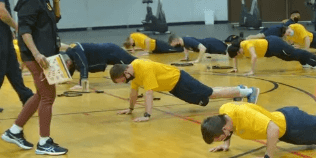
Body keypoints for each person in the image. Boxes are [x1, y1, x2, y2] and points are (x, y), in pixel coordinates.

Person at [0, 0, 67, 155]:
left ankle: (14, 131)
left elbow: (56, 19)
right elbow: (25, 30)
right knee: (48, 96)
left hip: (44, 55)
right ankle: (44, 143)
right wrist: (37, 54)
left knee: (40, 95)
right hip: (38, 57)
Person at [109, 60, 259, 122]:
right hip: (174, 88)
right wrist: (130, 109)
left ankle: (249, 92)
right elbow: (133, 93)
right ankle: (239, 90)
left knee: (210, 93)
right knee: (209, 93)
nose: (123, 82)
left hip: (180, 80)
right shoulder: (133, 74)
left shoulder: (143, 68)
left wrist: (147, 115)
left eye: (121, 80)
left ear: (125, 72)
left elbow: (149, 93)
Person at [227, 36, 316, 75]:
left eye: (237, 54)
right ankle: (305, 62)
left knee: (292, 52)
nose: (238, 56)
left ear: (237, 51)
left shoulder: (246, 45)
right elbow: (234, 57)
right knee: (287, 57)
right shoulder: (237, 49)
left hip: (273, 44)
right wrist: (235, 68)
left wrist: (252, 71)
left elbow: (254, 56)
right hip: (270, 50)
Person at [63, 42, 137, 91]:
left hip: (112, 51)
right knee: (132, 62)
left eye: (66, 65)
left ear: (67, 61)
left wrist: (82, 85)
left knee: (133, 63)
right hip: (107, 54)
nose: (66, 67)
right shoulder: (70, 55)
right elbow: (71, 67)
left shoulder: (75, 51)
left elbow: (83, 65)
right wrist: (66, 79)